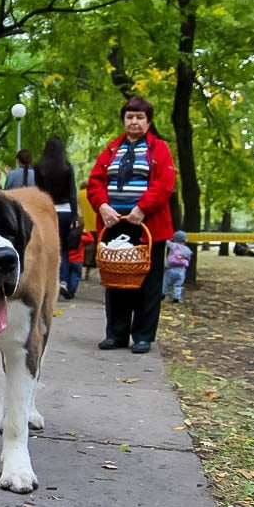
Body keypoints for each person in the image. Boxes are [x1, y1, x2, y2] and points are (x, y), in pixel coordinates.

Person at [86, 95, 176, 355]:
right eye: (129, 116)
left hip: (148, 226)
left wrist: (142, 208)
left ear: (148, 122)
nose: (134, 121)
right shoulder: (112, 149)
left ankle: (143, 336)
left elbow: (164, 183)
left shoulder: (159, 149)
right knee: (115, 279)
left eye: (139, 117)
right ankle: (116, 333)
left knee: (148, 283)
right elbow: (95, 182)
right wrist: (102, 206)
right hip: (115, 224)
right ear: (123, 120)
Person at [34, 136, 78, 297]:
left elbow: (38, 192)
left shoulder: (39, 168)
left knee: (46, 250)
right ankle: (64, 282)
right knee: (64, 250)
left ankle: (47, 283)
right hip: (65, 211)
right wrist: (74, 216)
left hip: (46, 212)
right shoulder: (67, 167)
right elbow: (72, 193)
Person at [62, 220, 93, 300]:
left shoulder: (67, 236)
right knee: (75, 277)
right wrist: (85, 231)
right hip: (78, 260)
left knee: (66, 275)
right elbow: (91, 239)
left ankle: (65, 287)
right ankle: (71, 292)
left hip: (68, 260)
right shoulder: (81, 238)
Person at [162, 230, 193, 303]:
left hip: (171, 269)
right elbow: (188, 257)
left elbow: (167, 242)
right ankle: (176, 298)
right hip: (181, 270)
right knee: (178, 285)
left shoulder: (174, 246)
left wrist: (167, 237)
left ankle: (162, 294)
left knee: (165, 283)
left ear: (175, 239)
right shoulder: (188, 250)